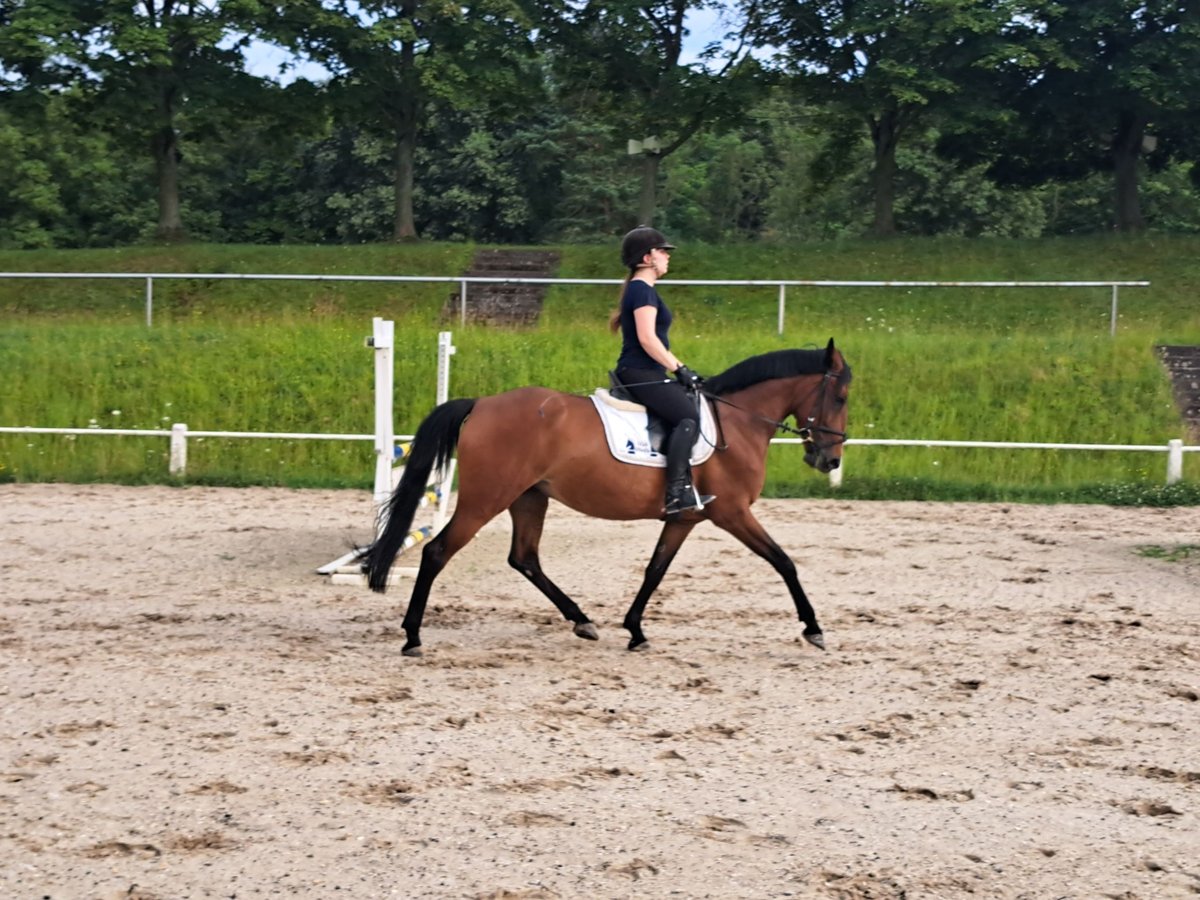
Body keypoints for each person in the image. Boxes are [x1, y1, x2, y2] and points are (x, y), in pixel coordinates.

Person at [610, 225, 715, 518]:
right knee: (687, 417)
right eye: (662, 252)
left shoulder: (641, 290)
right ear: (647, 258)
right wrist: (680, 369)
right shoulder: (642, 292)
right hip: (641, 371)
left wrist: (677, 369)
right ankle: (676, 494)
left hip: (647, 371)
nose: (667, 257)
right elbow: (647, 338)